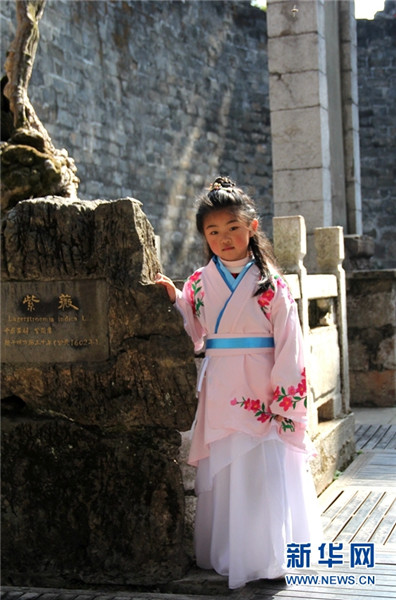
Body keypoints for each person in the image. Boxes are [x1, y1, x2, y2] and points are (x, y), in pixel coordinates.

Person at [155, 176, 322, 589]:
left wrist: (285, 397)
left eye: (232, 228)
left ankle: (268, 554)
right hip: (222, 383)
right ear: (204, 237)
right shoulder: (198, 281)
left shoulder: (272, 285)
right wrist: (174, 299)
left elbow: (290, 345)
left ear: (252, 227)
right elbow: (194, 332)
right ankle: (229, 552)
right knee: (229, 470)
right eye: (213, 231)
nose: (224, 238)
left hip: (263, 387)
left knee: (263, 471)